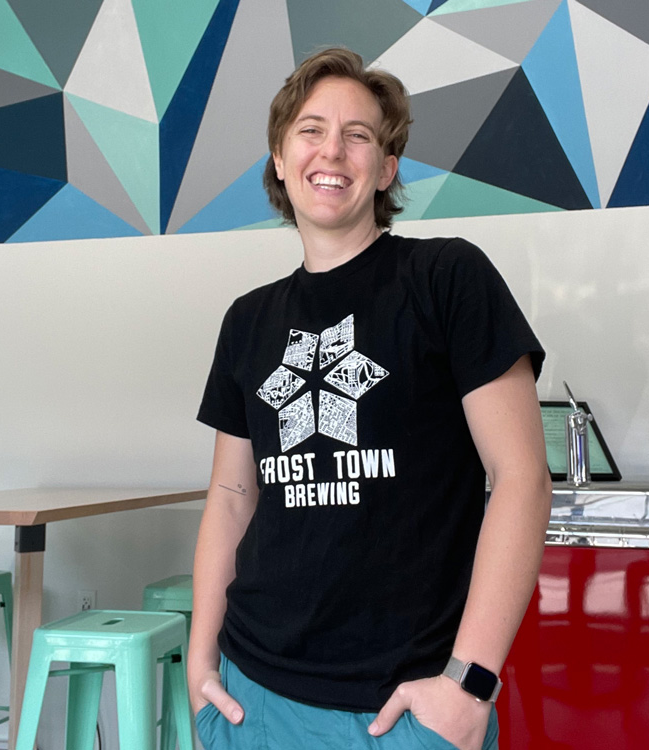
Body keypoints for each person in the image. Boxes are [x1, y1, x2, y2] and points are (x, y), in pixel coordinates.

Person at [188, 47, 552, 750]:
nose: (332, 150)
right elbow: (231, 496)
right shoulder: (248, 320)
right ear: (279, 158)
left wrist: (470, 682)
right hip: (250, 696)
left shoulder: (448, 278)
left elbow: (522, 479)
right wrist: (202, 661)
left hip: (402, 709)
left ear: (386, 169)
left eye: (358, 135)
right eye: (311, 130)